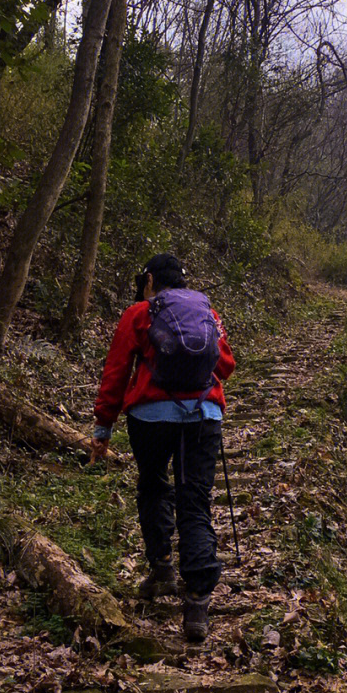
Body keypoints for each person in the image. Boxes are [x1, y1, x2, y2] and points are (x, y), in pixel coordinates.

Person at [90, 253, 235, 643]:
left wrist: (103, 427)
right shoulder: (206, 310)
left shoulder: (139, 312)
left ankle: (162, 567)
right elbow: (225, 365)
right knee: (195, 500)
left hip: (151, 418)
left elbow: (117, 370)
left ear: (150, 278)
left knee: (153, 485)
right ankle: (197, 603)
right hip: (203, 415)